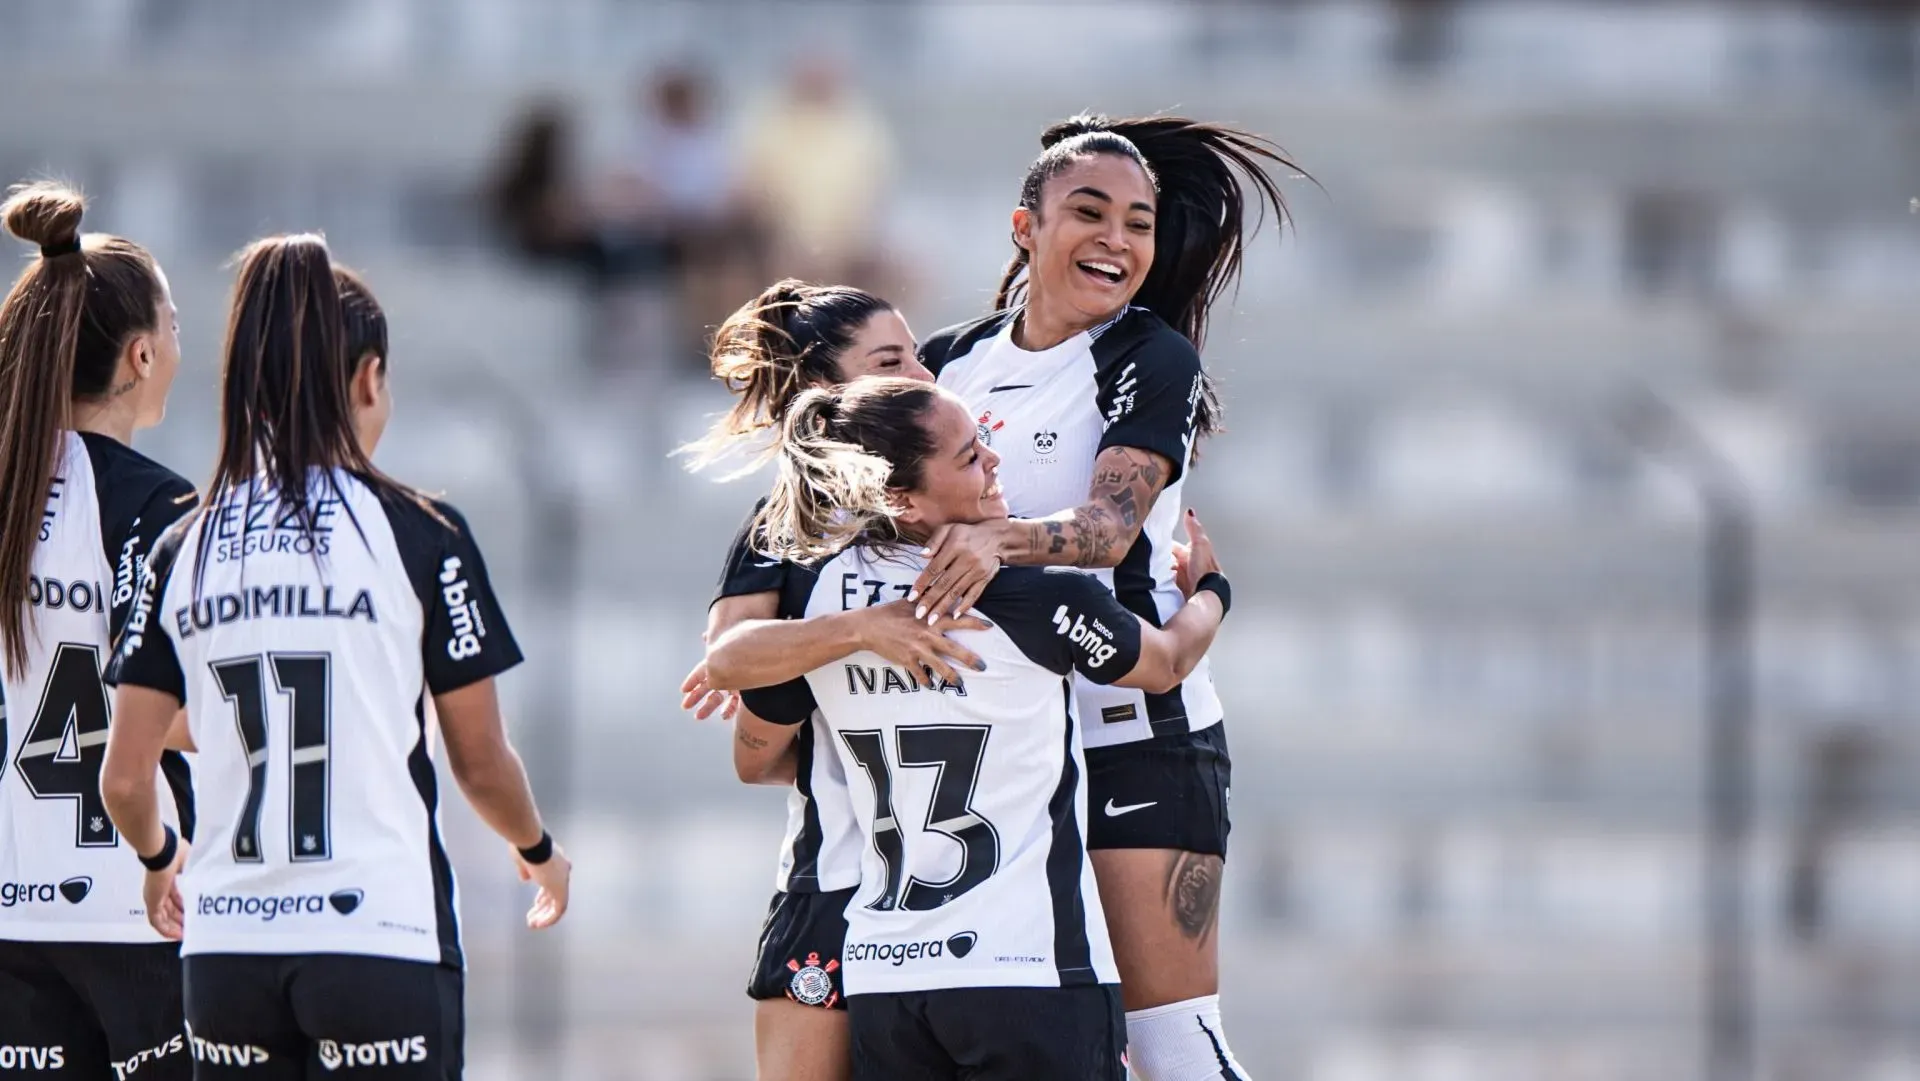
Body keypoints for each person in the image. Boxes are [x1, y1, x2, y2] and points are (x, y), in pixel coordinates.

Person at [707, 114, 1300, 1079]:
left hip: (1132, 726)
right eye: (1090, 212)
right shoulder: (951, 361)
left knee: (1168, 1043)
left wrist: (996, 537)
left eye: (1138, 222)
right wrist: (773, 599)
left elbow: (1106, 532)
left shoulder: (1149, 356)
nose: (1116, 238)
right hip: (1008, 756)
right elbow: (884, 490)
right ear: (1025, 227)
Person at [99, 236, 571, 1080]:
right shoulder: (420, 533)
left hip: (226, 952)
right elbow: (480, 759)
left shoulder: (184, 545)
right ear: (368, 378)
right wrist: (538, 849)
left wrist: (156, 860)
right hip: (376, 937)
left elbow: (126, 778)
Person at [709, 378, 1232, 1081]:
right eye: (969, 456)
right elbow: (1166, 663)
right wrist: (1211, 593)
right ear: (902, 499)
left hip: (887, 980)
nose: (995, 461)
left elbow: (735, 686)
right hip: (1027, 970)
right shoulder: (1033, 595)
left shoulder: (821, 600)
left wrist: (859, 637)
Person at [674, 279, 985, 1081]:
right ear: (823, 392)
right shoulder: (790, 528)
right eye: (891, 359)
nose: (923, 373)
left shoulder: (979, 506)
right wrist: (850, 644)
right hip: (838, 878)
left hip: (980, 895)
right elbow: (747, 721)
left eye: (917, 353)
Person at [0, 181, 197, 1081]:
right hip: (139, 905)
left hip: (12, 919)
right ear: (142, 354)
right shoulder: (157, 504)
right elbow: (180, 716)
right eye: (178, 327)